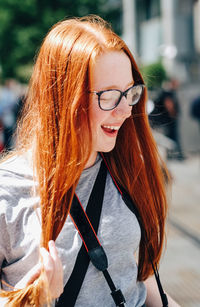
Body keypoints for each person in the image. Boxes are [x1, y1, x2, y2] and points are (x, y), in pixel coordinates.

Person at [0, 16, 180, 307]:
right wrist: (34, 298)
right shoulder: (8, 190)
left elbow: (129, 273)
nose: (125, 111)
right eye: (108, 96)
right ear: (62, 98)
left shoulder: (125, 167)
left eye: (129, 92)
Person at [149, 79, 185, 161]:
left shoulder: (166, 91)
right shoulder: (167, 92)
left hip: (165, 120)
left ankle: (173, 155)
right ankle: (177, 156)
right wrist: (173, 116)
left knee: (170, 137)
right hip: (167, 120)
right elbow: (169, 105)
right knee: (171, 137)